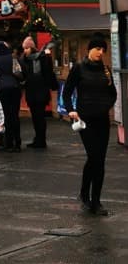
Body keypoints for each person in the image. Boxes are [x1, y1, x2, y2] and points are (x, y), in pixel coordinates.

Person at [63, 34, 117, 216]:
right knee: (94, 156)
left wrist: (106, 106)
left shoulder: (106, 70)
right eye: (98, 49)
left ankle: (95, 201)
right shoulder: (79, 68)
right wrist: (71, 110)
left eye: (103, 50)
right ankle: (86, 194)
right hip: (85, 120)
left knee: (99, 160)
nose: (100, 53)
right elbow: (67, 90)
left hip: (102, 120)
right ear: (90, 49)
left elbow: (113, 93)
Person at [21, 35, 58, 149]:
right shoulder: (25, 60)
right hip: (33, 92)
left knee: (39, 117)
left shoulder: (41, 58)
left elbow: (48, 73)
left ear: (31, 47)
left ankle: (41, 140)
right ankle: (38, 139)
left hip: (40, 92)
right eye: (24, 48)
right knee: (36, 117)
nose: (25, 51)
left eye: (26, 48)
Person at [0, 40, 22, 151]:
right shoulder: (13, 58)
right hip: (15, 88)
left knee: (6, 116)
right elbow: (19, 72)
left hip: (3, 88)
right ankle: (18, 143)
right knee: (15, 115)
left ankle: (9, 143)